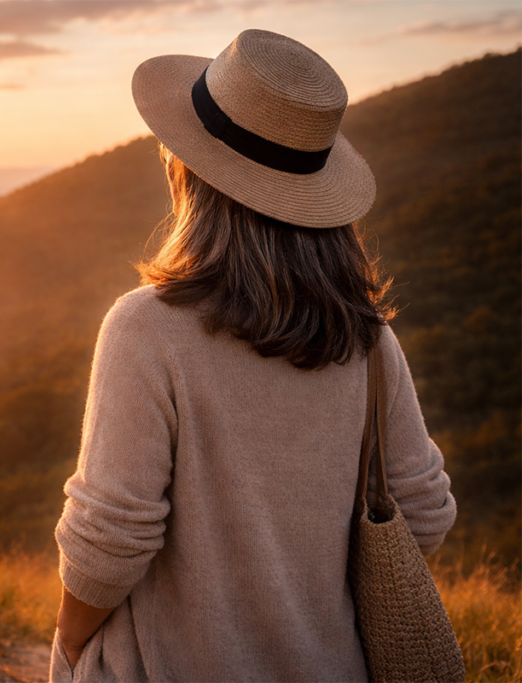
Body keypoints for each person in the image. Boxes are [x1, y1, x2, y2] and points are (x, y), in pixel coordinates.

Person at [49, 29, 456, 682]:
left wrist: (69, 647)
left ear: (188, 170)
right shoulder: (368, 338)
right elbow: (426, 512)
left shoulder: (146, 329)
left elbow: (108, 544)